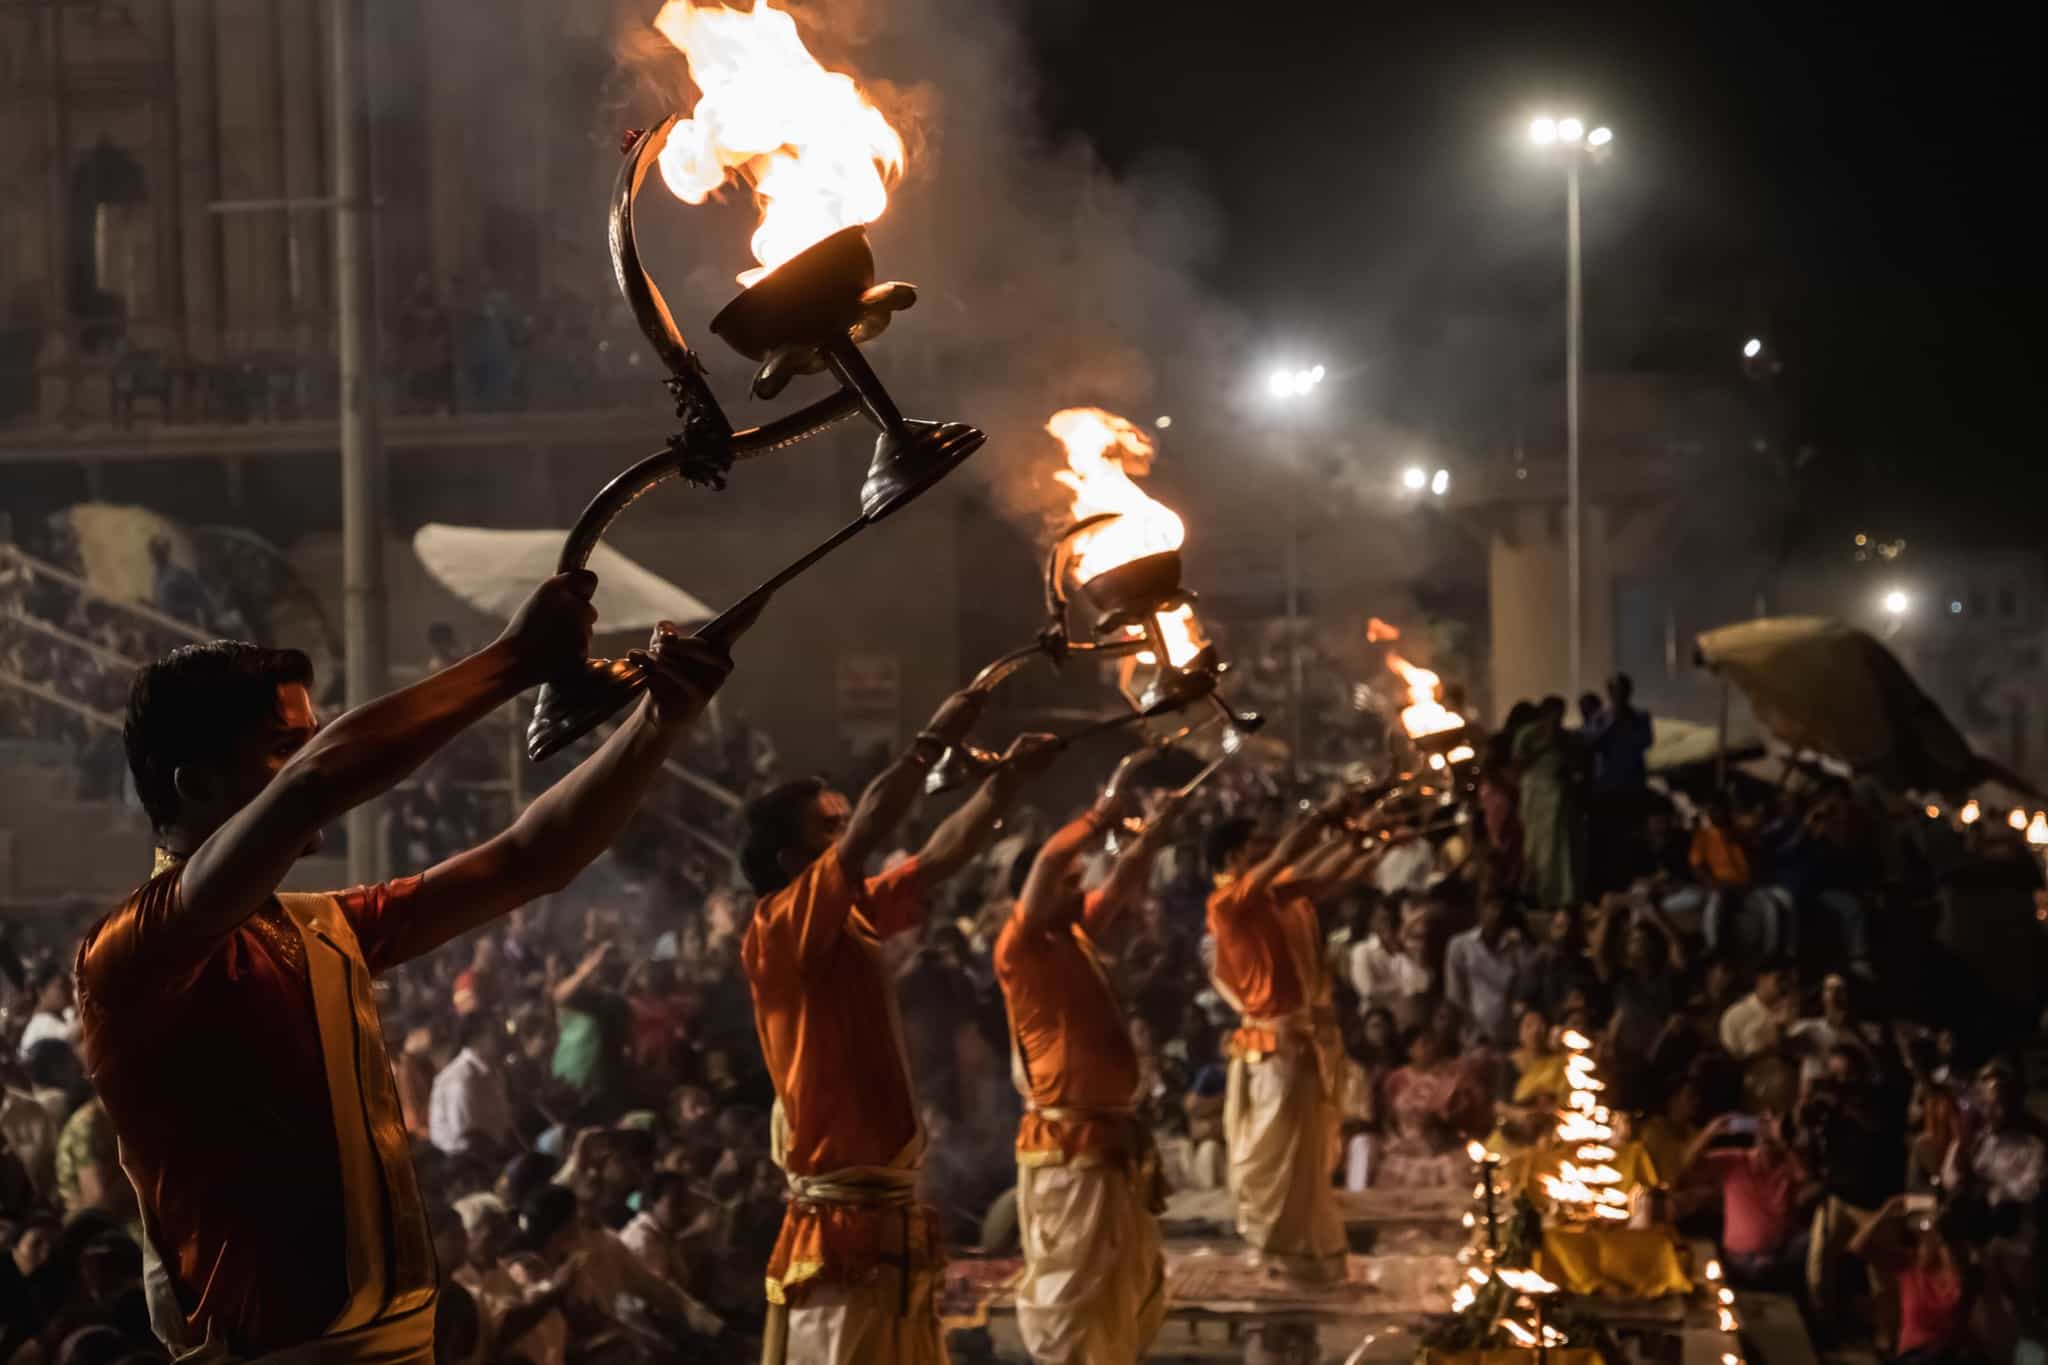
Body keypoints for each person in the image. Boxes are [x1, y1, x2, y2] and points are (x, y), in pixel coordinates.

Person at [75, 575, 730, 1364]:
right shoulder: (130, 953)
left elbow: (531, 858)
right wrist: (512, 660)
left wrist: (661, 719)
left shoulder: (323, 927)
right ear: (198, 783)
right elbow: (319, 782)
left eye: (311, 740)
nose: (310, 759)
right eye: (285, 744)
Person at [737, 686, 1056, 1365]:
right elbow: (877, 827)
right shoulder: (779, 929)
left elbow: (940, 856)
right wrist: (935, 733)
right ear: (791, 862)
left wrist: (1005, 785)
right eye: (830, 826)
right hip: (842, 1220)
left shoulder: (852, 911)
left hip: (885, 1208)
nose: (850, 833)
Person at [995, 781, 1186, 1364]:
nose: (1082, 889)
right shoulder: (1020, 946)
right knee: (1074, 1283)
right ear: (1037, 892)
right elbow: (1052, 857)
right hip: (1067, 1145)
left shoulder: (1072, 934)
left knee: (1117, 1275)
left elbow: (1125, 879)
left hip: (1107, 1140)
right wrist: (1099, 814)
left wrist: (1155, 828)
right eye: (1072, 883)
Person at [1205, 796, 1352, 1282]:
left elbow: (1325, 877)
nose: (1267, 852)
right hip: (1271, 1047)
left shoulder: (1271, 896)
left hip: (1300, 1041)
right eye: (1255, 846)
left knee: (1305, 1156)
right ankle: (1275, 1251)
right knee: (1276, 1157)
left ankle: (1305, 1255)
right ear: (1232, 859)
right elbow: (1288, 859)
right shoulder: (1229, 903)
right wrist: (1319, 821)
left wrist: (1364, 837)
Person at [1848, 1198, 1973, 1364]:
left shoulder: (1955, 1274)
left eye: (1925, 1235)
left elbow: (1956, 1303)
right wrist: (1885, 1211)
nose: (1920, 1241)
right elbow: (1857, 1247)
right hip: (1914, 1356)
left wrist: (1941, 1238)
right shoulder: (1909, 1266)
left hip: (1942, 1356)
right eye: (1918, 1238)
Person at [1514, 697, 1582, 908]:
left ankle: (1560, 896)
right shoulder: (1528, 734)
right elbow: (1518, 762)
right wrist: (1544, 746)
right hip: (1535, 796)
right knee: (1535, 847)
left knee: (1557, 849)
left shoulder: (1565, 737)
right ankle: (1538, 893)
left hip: (1556, 796)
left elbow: (1571, 764)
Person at [1443, 894, 1530, 1048]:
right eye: (1491, 908)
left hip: (1508, 1035)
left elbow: (1523, 987)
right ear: (1481, 912)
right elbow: (1454, 994)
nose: (1495, 915)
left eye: (1500, 910)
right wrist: (1468, 1028)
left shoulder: (1516, 946)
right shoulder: (1460, 945)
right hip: (1473, 1036)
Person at [430, 1011, 517, 1159]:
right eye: (495, 1032)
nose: (502, 1037)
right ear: (476, 1039)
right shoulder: (461, 1078)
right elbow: (469, 1138)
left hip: (493, 1153)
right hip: (467, 1163)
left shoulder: (492, 1069)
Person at [1345, 899, 1431, 1030]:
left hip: (1411, 1021)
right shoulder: (1362, 951)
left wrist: (1402, 952)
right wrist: (1405, 988)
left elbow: (1423, 984)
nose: (1387, 925)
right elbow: (1368, 990)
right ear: (1371, 923)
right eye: (1381, 919)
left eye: (1390, 919)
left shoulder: (1409, 948)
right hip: (1381, 1025)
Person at [1720, 961, 1798, 1062]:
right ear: (1761, 979)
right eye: (1780, 979)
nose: (1785, 986)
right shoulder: (1736, 1015)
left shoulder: (1796, 1014)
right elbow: (1730, 1059)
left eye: (1790, 980)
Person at [14, 969, 76, 1058]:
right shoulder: (35, 1032)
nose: (66, 992)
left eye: (67, 986)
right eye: (61, 987)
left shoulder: (67, 1013)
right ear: (41, 991)